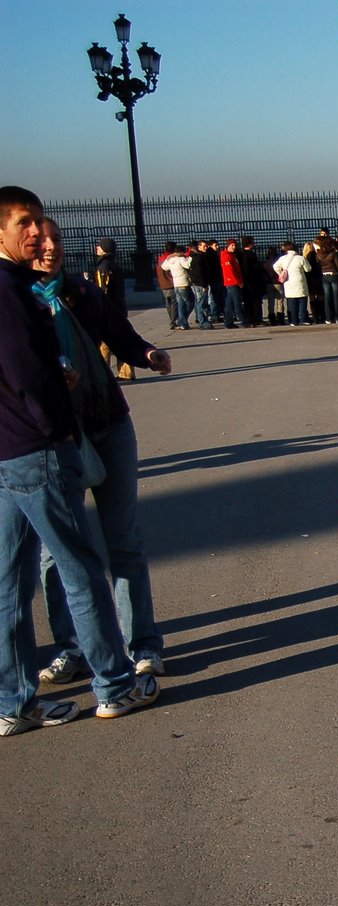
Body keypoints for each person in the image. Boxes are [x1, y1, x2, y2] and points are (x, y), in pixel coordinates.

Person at [0, 186, 158, 736]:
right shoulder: (13, 292)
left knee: (16, 575)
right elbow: (25, 373)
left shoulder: (71, 291)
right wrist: (57, 422)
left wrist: (141, 355)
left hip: (29, 443)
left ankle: (15, 701)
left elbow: (116, 334)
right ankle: (109, 678)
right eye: (27, 225)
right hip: (41, 445)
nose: (41, 238)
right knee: (74, 566)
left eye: (46, 228)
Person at [31, 217, 172, 685]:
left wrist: (147, 354)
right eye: (39, 239)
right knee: (56, 553)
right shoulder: (17, 302)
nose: (49, 247)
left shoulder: (82, 292)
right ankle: (73, 646)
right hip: (53, 435)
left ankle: (142, 644)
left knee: (123, 540)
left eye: (56, 239)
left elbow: (121, 334)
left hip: (107, 423)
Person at [273, 240, 310, 325]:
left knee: (291, 302)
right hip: (300, 281)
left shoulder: (282, 258)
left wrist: (281, 273)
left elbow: (275, 266)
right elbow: (308, 269)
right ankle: (304, 319)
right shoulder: (300, 258)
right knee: (302, 301)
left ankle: (293, 321)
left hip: (288, 282)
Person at [161, 243, 195, 329]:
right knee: (190, 302)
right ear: (181, 252)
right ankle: (182, 320)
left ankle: (182, 322)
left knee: (181, 304)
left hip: (176, 284)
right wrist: (190, 257)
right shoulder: (181, 259)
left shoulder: (170, 259)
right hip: (184, 284)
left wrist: (169, 257)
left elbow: (163, 267)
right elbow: (187, 265)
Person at [313, 227, 338, 323]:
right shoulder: (333, 252)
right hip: (334, 274)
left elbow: (318, 263)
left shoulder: (318, 254)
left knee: (327, 297)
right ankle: (337, 317)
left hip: (324, 274)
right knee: (336, 297)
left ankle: (328, 318)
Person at [219, 238, 246, 328]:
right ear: (228, 246)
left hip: (230, 282)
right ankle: (244, 321)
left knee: (229, 304)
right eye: (232, 245)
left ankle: (228, 322)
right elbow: (230, 271)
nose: (234, 247)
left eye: (235, 245)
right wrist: (238, 282)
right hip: (232, 282)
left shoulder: (231, 255)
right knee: (237, 303)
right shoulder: (226, 256)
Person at [155, 241, 179, 329]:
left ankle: (172, 320)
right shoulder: (170, 258)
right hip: (170, 283)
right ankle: (173, 321)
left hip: (163, 284)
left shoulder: (161, 258)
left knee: (168, 303)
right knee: (174, 303)